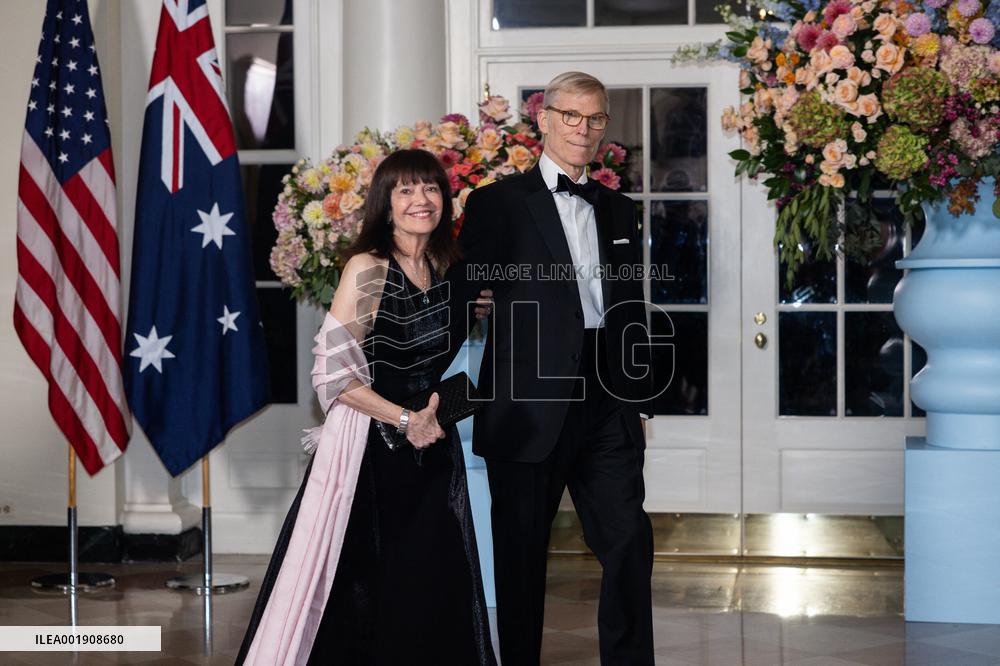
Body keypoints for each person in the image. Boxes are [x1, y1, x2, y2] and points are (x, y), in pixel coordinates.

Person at [237, 149, 497, 665]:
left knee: (433, 576)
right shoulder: (368, 269)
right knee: (359, 581)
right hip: (369, 451)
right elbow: (331, 377)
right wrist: (404, 419)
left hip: (429, 447)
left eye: (430, 188)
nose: (421, 200)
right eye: (405, 190)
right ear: (385, 204)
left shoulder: (450, 271)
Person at [446, 71, 657, 665]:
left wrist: (638, 401)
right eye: (571, 116)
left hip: (607, 400)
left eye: (595, 120)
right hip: (525, 400)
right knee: (519, 557)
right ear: (543, 119)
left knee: (629, 541)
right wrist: (418, 378)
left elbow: (629, 306)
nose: (583, 130)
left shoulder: (619, 208)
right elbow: (464, 296)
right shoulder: (496, 203)